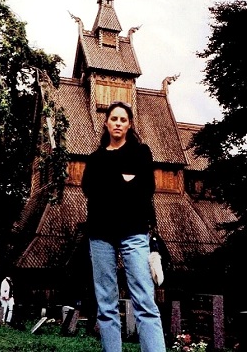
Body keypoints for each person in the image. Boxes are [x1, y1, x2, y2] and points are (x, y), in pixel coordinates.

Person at [81, 100, 166, 352]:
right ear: (106, 122)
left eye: (123, 120)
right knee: (106, 304)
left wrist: (111, 187)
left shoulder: (140, 153)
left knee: (144, 300)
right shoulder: (95, 158)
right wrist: (124, 183)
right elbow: (89, 190)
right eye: (114, 119)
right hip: (99, 235)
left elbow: (146, 189)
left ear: (129, 125)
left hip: (134, 233)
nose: (118, 123)